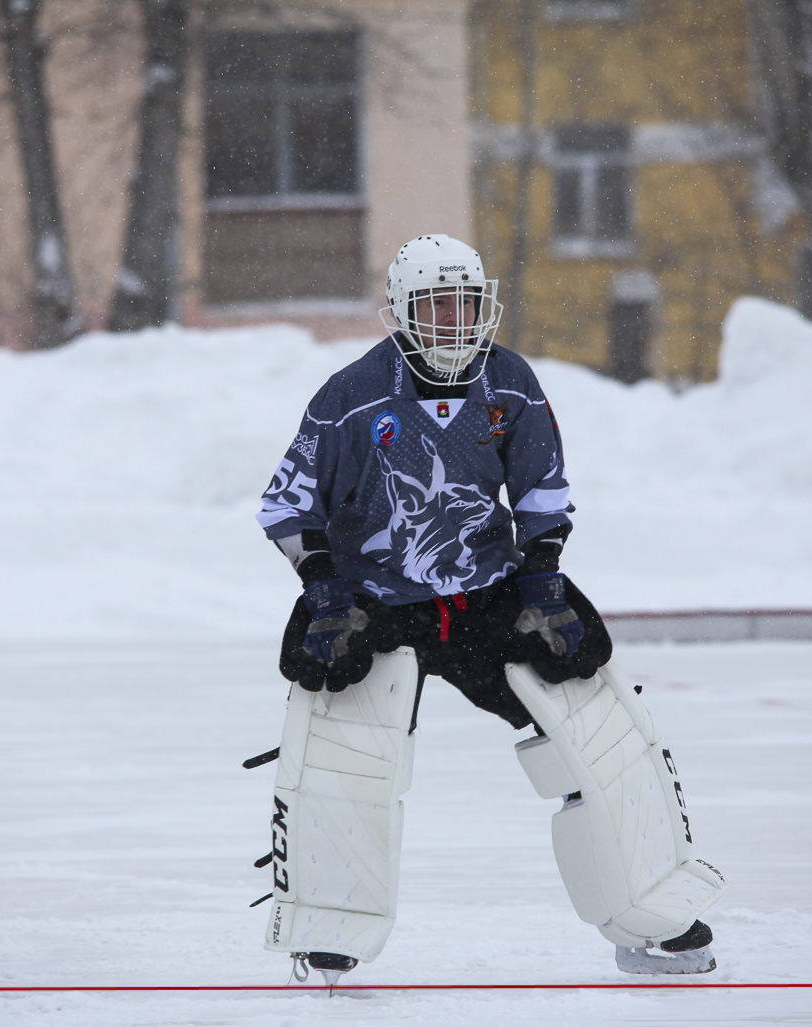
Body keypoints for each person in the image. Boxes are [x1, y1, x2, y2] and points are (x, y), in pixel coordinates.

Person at [252, 235, 725, 987]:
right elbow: (286, 503)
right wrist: (323, 588)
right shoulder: (352, 394)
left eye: (465, 302)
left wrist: (543, 580)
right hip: (376, 605)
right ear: (401, 312)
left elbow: (542, 488)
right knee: (347, 760)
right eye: (436, 304)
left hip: (487, 596)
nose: (453, 320)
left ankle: (655, 909)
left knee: (601, 732)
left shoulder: (510, 384)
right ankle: (330, 925)